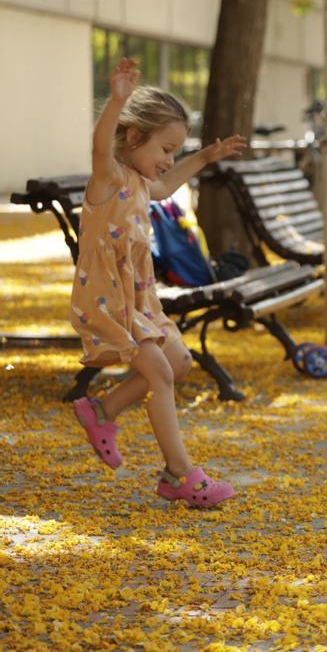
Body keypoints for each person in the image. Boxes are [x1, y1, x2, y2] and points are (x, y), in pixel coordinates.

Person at [70, 58, 247, 507]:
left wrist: (204, 157)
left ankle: (102, 410)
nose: (168, 160)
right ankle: (180, 473)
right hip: (110, 300)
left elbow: (167, 185)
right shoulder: (109, 177)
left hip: (140, 301)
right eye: (165, 149)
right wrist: (117, 101)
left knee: (179, 362)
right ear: (133, 137)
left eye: (175, 151)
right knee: (161, 373)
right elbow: (99, 148)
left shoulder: (142, 183)